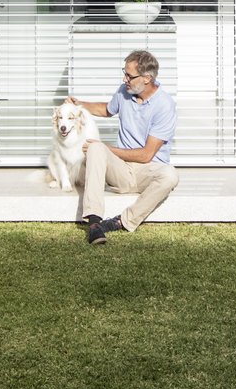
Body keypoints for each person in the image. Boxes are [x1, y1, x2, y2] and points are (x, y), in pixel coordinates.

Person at [67, 48, 179, 245]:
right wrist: (79, 105)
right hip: (121, 170)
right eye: (124, 73)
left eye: (129, 75)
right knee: (95, 148)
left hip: (148, 170)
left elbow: (146, 156)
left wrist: (107, 148)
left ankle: (120, 222)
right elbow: (107, 110)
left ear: (146, 78)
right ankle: (94, 223)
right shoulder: (124, 92)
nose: (124, 79)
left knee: (170, 176)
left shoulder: (165, 105)